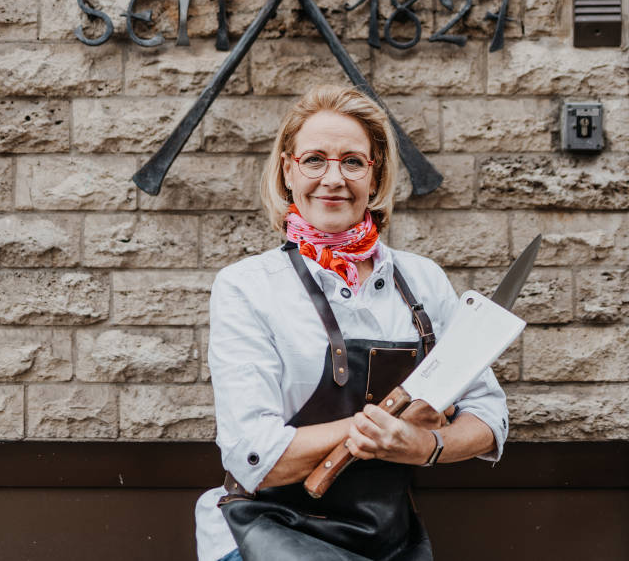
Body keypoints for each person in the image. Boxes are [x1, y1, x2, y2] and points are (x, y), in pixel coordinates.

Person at [195, 84, 508, 561]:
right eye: (315, 159)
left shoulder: (422, 280)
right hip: (266, 530)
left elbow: (487, 415)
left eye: (352, 161)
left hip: (387, 537)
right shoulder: (247, 286)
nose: (333, 178)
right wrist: (381, 431)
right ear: (288, 170)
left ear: (374, 173)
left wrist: (426, 444)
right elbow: (255, 455)